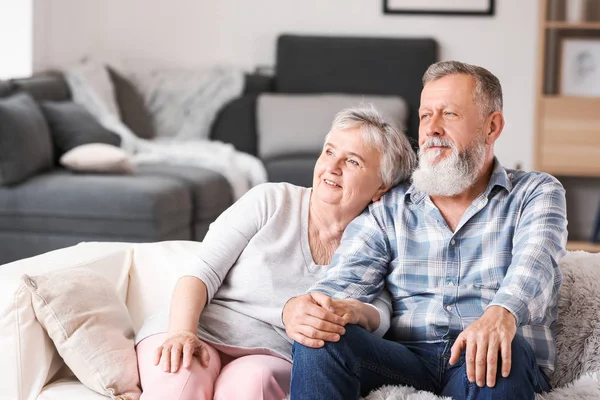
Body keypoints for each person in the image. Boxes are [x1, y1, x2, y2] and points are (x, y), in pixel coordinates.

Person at [284, 61, 568, 400]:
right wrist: (304, 309)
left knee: (499, 352)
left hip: (490, 358)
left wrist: (501, 313)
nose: (431, 129)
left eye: (449, 114)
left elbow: (535, 264)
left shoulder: (536, 192)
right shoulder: (390, 205)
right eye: (425, 116)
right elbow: (345, 281)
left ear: (492, 127)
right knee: (321, 341)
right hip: (406, 359)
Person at [134, 105, 416, 400]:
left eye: (353, 162)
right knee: (181, 384)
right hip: (197, 329)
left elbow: (381, 313)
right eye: (329, 152)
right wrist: (182, 332)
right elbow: (200, 274)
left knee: (253, 385)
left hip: (272, 354)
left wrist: (356, 311)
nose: (332, 167)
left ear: (381, 187)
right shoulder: (270, 200)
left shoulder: (377, 241)